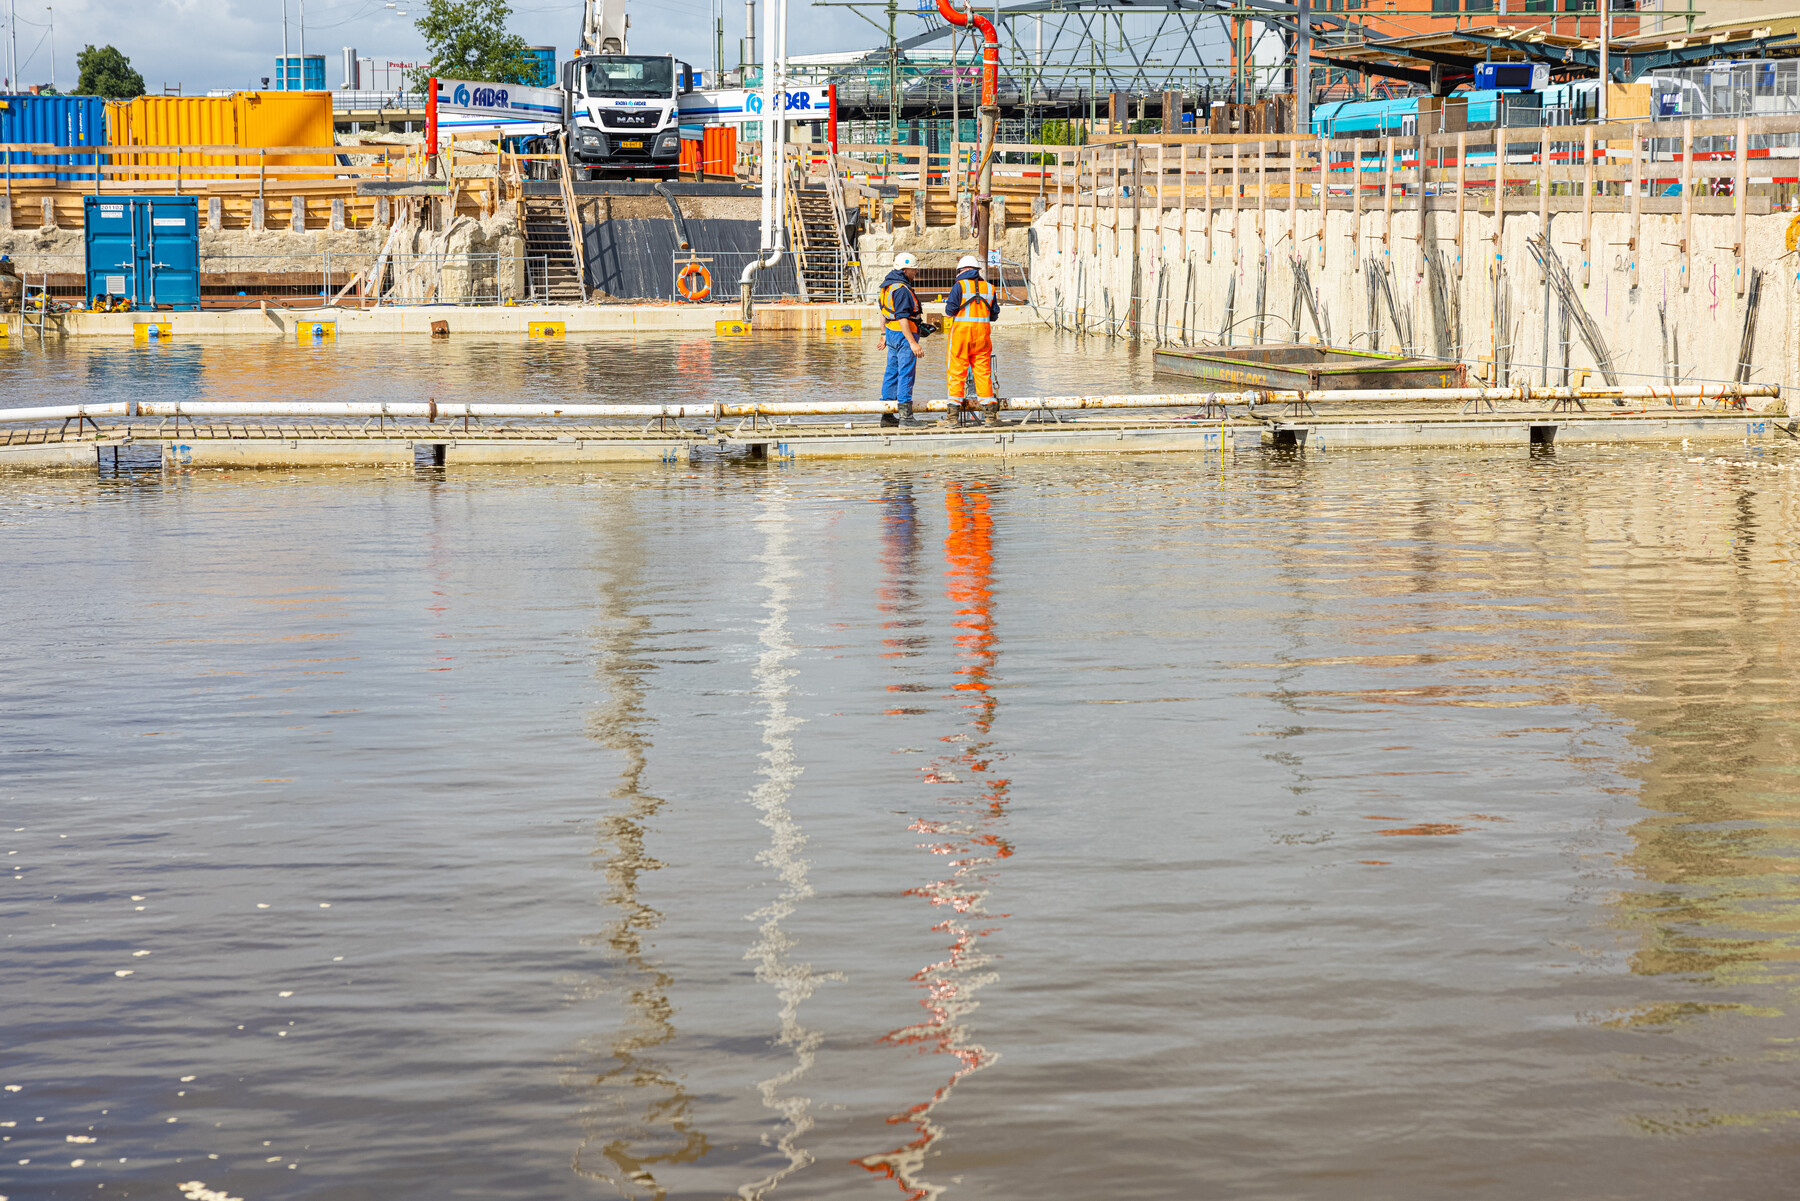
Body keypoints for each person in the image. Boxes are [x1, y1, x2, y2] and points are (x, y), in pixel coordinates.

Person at [943, 254, 1000, 425]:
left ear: (961, 270)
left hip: (961, 335)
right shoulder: (990, 288)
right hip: (982, 336)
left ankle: (952, 418)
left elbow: (949, 311)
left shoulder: (959, 286)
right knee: (983, 374)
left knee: (956, 372)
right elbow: (994, 315)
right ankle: (990, 417)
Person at [878, 252, 925, 426]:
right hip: (905, 335)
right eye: (914, 270)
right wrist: (913, 343)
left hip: (891, 333)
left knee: (891, 373)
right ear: (905, 270)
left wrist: (883, 334)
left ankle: (887, 416)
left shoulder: (887, 286)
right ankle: (906, 417)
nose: (915, 273)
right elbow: (903, 317)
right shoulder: (902, 290)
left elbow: (884, 313)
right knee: (906, 373)